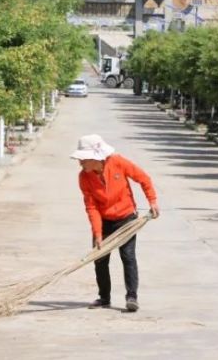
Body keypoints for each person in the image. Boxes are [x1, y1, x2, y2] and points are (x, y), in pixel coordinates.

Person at [72, 134, 159, 312]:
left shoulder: (118, 162)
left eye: (83, 159)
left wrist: (152, 201)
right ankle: (104, 297)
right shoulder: (84, 177)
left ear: (95, 157)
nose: (80, 163)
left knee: (127, 257)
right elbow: (91, 207)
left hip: (126, 218)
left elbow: (144, 178)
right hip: (104, 221)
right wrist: (97, 233)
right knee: (100, 259)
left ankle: (132, 297)